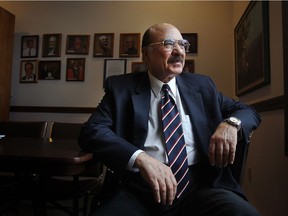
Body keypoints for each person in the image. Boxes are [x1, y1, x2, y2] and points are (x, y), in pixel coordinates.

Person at [78, 23, 261, 216]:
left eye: (182, 45)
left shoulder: (202, 85)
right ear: (146, 55)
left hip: (201, 187)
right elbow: (92, 131)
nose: (179, 51)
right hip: (140, 188)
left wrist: (231, 123)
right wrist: (140, 158)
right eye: (168, 44)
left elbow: (247, 111)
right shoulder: (121, 88)